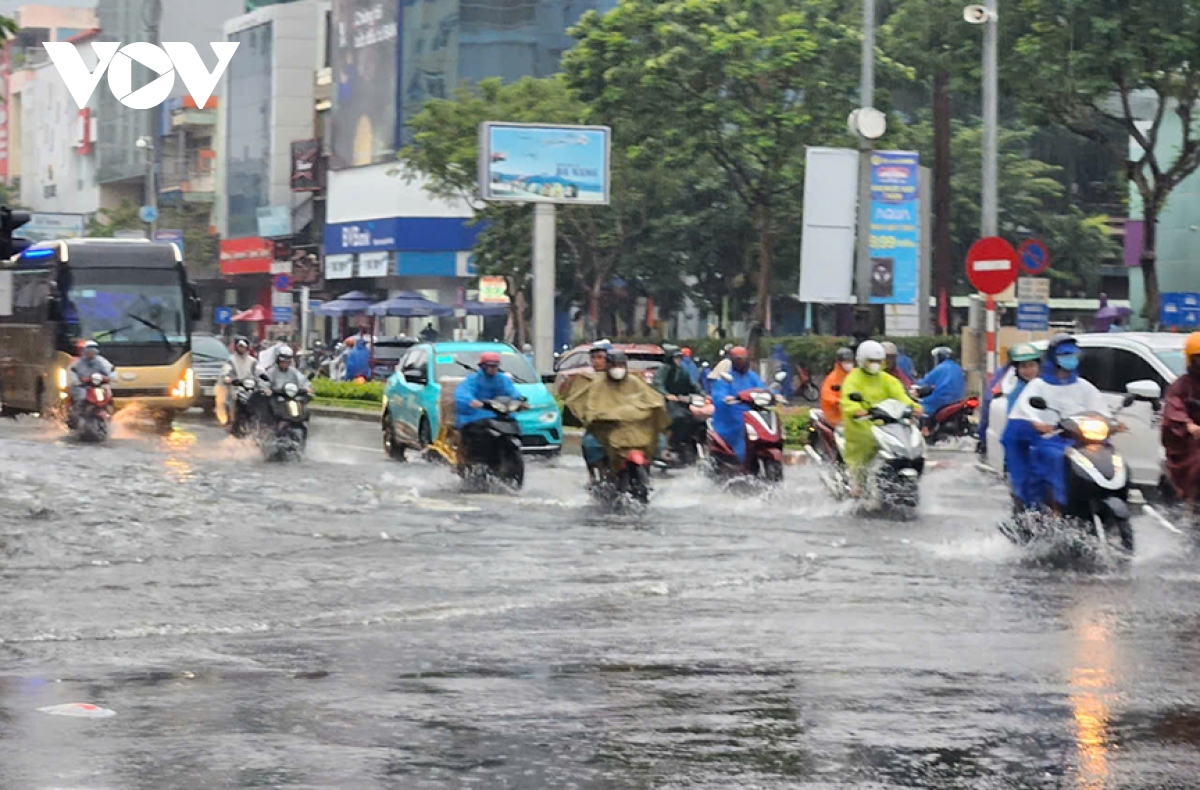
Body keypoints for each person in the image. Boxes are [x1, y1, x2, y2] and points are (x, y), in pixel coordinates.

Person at [1006, 335, 1108, 510]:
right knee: (1055, 459)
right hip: (1050, 440)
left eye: (1073, 355)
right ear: (1054, 357)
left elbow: (1100, 410)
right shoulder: (1038, 386)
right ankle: (1057, 507)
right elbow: (1025, 412)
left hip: (1080, 439)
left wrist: (1111, 423)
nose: (1070, 359)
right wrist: (1037, 424)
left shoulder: (1084, 386)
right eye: (1065, 354)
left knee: (1107, 456)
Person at [564, 349, 668, 481]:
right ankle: (597, 474)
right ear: (608, 366)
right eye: (614, 366)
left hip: (634, 427)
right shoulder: (598, 384)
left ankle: (656, 461)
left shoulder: (634, 381)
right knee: (590, 443)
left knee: (658, 437)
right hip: (607, 427)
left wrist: (652, 411)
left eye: (620, 366)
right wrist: (596, 417)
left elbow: (651, 399)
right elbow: (592, 405)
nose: (617, 369)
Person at [840, 341, 920, 494]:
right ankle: (858, 481)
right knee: (864, 448)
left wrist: (914, 407)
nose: (875, 364)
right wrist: (858, 410)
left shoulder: (887, 379)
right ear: (862, 361)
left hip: (887, 424)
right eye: (871, 361)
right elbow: (848, 400)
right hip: (862, 425)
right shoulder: (853, 379)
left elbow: (900, 396)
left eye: (878, 361)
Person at [455, 351, 526, 458]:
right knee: (476, 433)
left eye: (495, 366)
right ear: (483, 366)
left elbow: (511, 391)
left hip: (498, 412)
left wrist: (520, 400)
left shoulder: (502, 379)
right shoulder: (473, 379)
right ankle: (473, 458)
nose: (493, 369)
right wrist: (471, 401)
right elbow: (463, 393)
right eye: (490, 366)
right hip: (476, 414)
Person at [977, 343, 1041, 454]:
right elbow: (989, 401)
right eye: (1024, 366)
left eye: (1032, 365)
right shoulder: (1011, 387)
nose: (1028, 370)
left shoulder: (1046, 385)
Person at [1161, 332, 1200, 506]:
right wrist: (1188, 425)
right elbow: (1173, 409)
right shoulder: (1180, 386)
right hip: (1188, 443)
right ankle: (1192, 503)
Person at [710, 346, 766, 463]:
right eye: (738, 359)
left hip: (752, 413)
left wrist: (773, 395)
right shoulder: (725, 377)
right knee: (741, 430)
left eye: (744, 359)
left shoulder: (752, 376)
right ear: (732, 360)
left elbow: (762, 389)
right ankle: (740, 460)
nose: (741, 362)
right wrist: (726, 399)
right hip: (731, 417)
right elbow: (718, 395)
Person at [654, 345, 704, 453]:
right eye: (676, 358)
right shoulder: (663, 369)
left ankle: (683, 442)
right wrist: (666, 394)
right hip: (666, 402)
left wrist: (702, 393)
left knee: (692, 417)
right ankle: (667, 445)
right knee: (677, 417)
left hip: (680, 401)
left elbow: (692, 384)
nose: (678, 360)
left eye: (679, 358)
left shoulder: (681, 370)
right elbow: (658, 384)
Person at [914, 346, 966, 430]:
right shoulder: (957, 367)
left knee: (921, 408)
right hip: (958, 400)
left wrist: (917, 384)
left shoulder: (940, 368)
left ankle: (925, 430)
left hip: (941, 399)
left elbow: (924, 382)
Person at [68, 340, 116, 424]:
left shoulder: (102, 361)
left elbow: (111, 370)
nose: (91, 352)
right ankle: (75, 417)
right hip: (83, 386)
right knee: (81, 398)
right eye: (89, 350)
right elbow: (72, 372)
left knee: (108, 396)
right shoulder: (78, 363)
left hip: (99, 385)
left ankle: (110, 414)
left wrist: (111, 378)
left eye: (93, 350)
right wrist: (76, 380)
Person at [221, 336, 259, 432]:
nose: (241, 349)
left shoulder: (253, 361)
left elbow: (260, 371)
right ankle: (231, 420)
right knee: (231, 400)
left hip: (251, 388)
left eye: (243, 347)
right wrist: (228, 378)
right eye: (239, 346)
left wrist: (264, 379)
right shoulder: (231, 360)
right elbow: (226, 370)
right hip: (236, 388)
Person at [820, 347, 856, 428]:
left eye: (850, 361)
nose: (849, 364)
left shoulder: (856, 374)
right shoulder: (832, 378)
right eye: (846, 361)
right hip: (835, 417)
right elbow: (826, 395)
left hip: (853, 413)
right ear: (839, 362)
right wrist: (838, 401)